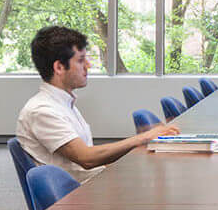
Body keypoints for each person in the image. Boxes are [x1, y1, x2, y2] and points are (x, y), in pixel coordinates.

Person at [16, 25, 178, 184]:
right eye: (80, 60)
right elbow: (87, 159)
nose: (88, 65)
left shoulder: (63, 103)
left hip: (94, 185)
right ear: (59, 67)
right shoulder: (42, 110)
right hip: (80, 199)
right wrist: (144, 137)